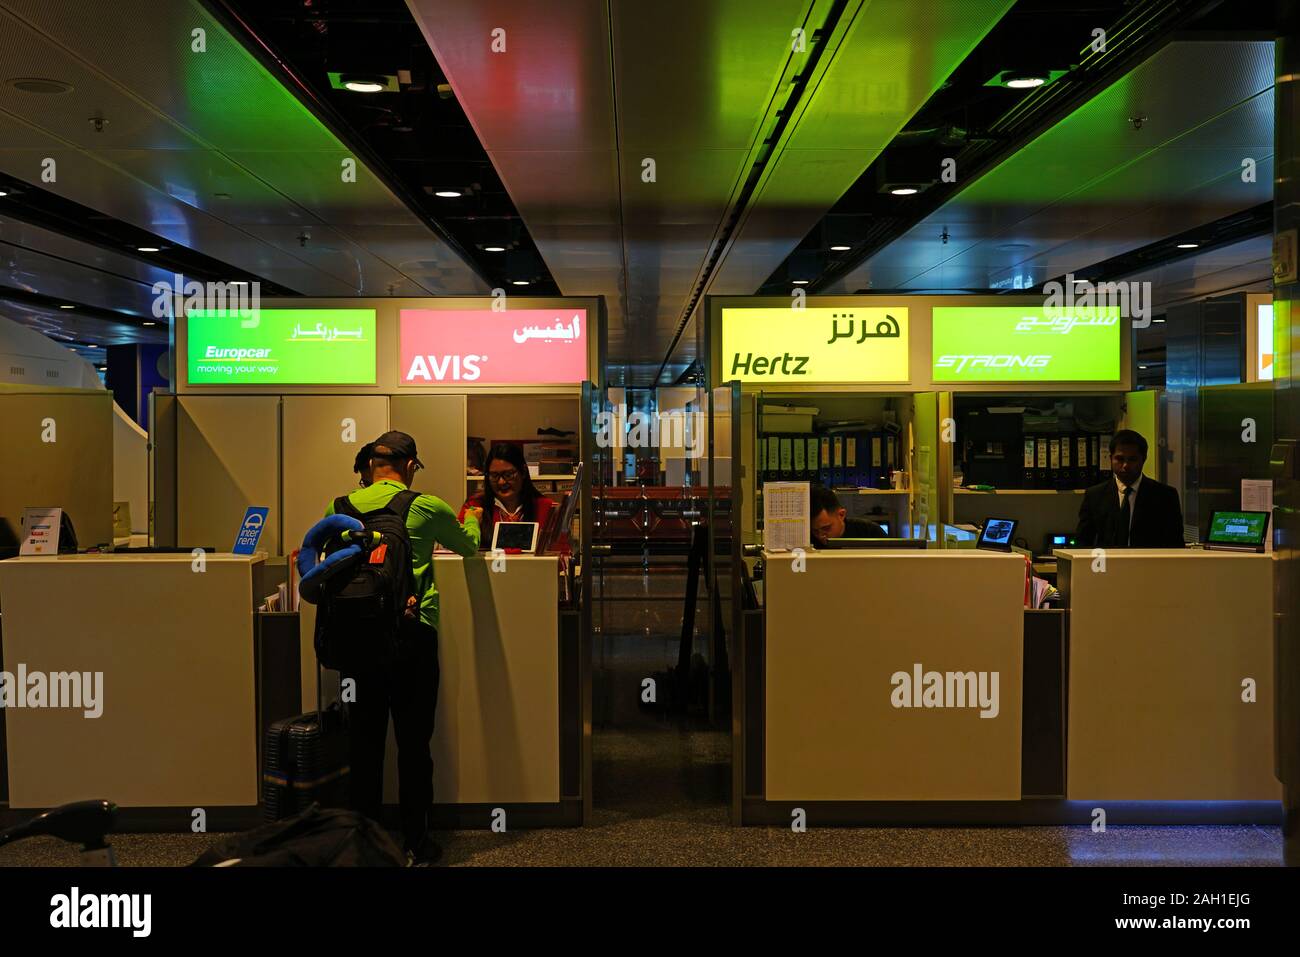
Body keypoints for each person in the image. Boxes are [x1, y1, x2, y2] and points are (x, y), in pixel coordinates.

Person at [323, 430, 480, 865]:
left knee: (365, 744)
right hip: (413, 635)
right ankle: (416, 842)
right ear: (410, 466)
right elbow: (469, 547)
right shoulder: (424, 505)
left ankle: (365, 844)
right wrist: (474, 517)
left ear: (370, 466)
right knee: (414, 744)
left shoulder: (338, 508)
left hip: (357, 641)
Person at [1076, 429, 1184, 548]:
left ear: (1143, 459)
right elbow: (1083, 543)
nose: (1125, 466)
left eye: (1132, 459)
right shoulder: (1094, 495)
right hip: (1107, 565)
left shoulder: (1165, 496)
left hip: (1149, 564)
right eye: (1120, 459)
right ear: (1110, 459)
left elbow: (1175, 544)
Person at [458, 442, 556, 547]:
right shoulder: (475, 506)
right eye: (494, 476)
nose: (501, 482)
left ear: (523, 472)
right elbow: (458, 546)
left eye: (508, 475)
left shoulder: (547, 508)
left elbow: (561, 553)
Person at [810, 484, 886, 547]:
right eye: (815, 531)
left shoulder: (870, 533)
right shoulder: (807, 538)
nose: (820, 536)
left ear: (841, 515)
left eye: (826, 528)